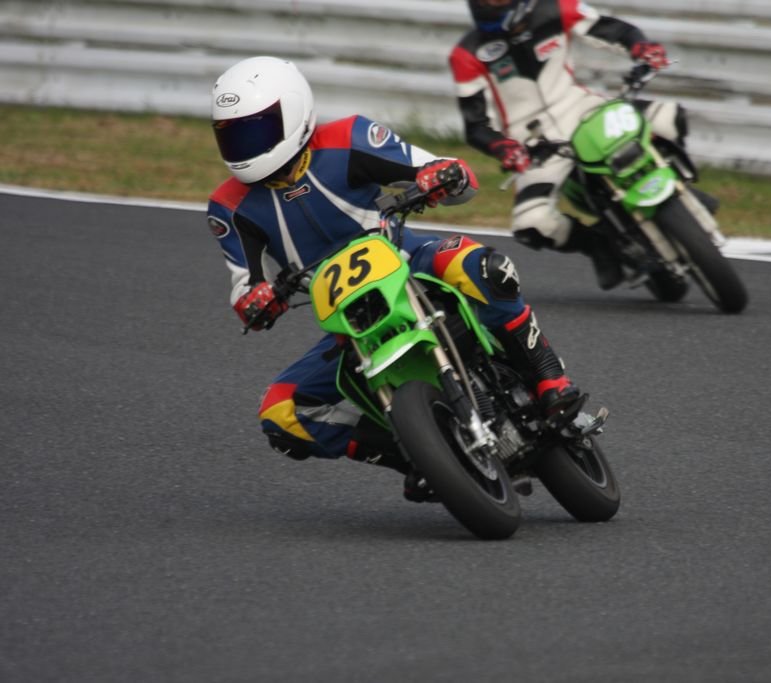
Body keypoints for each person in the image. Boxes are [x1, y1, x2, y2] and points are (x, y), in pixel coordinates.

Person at [206, 56, 579, 501]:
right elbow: (244, 287)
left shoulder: (349, 138)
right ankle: (419, 455)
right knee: (280, 412)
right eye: (232, 135)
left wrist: (443, 176)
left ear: (294, 111)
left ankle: (549, 378)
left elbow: (448, 172)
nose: (244, 146)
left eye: (255, 131)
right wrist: (256, 301)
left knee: (484, 267)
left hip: (411, 261)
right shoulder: (228, 207)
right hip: (349, 323)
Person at [450, 0, 700, 290]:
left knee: (670, 117)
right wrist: (505, 148)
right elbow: (475, 127)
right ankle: (598, 246)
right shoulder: (465, 54)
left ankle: (681, 187)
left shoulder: (556, 9)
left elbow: (614, 29)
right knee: (532, 223)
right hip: (532, 142)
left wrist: (641, 47)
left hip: (582, 109)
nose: (488, 4)